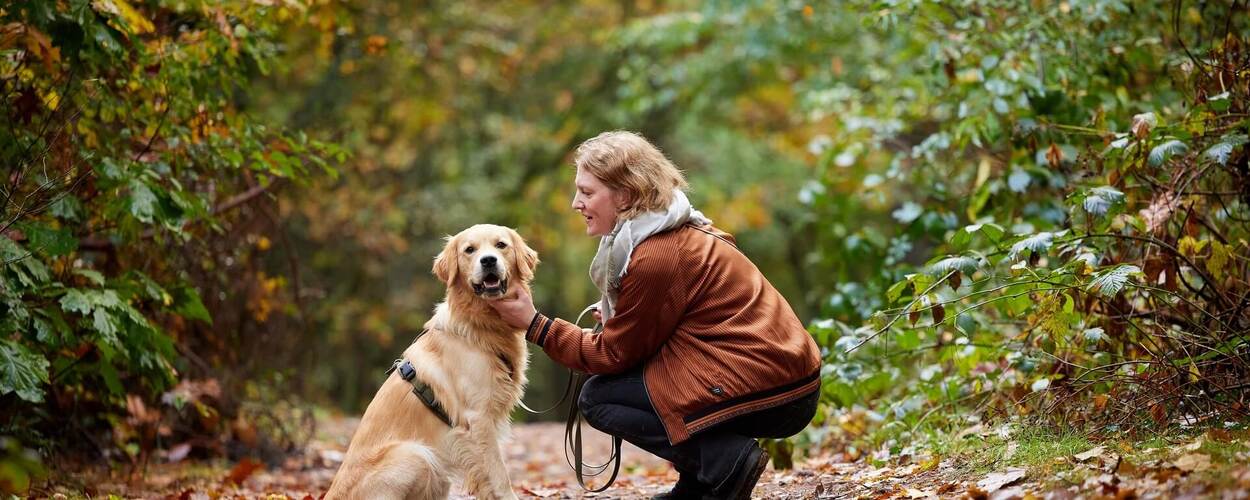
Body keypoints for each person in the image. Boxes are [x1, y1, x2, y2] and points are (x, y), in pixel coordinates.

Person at [490, 131, 820, 500]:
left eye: (586, 192)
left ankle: (724, 462)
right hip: (783, 376)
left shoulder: (656, 255)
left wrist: (536, 325)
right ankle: (700, 483)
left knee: (599, 398)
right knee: (621, 387)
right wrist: (625, 309)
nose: (575, 203)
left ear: (625, 194)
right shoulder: (672, 227)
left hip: (777, 393)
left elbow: (612, 356)